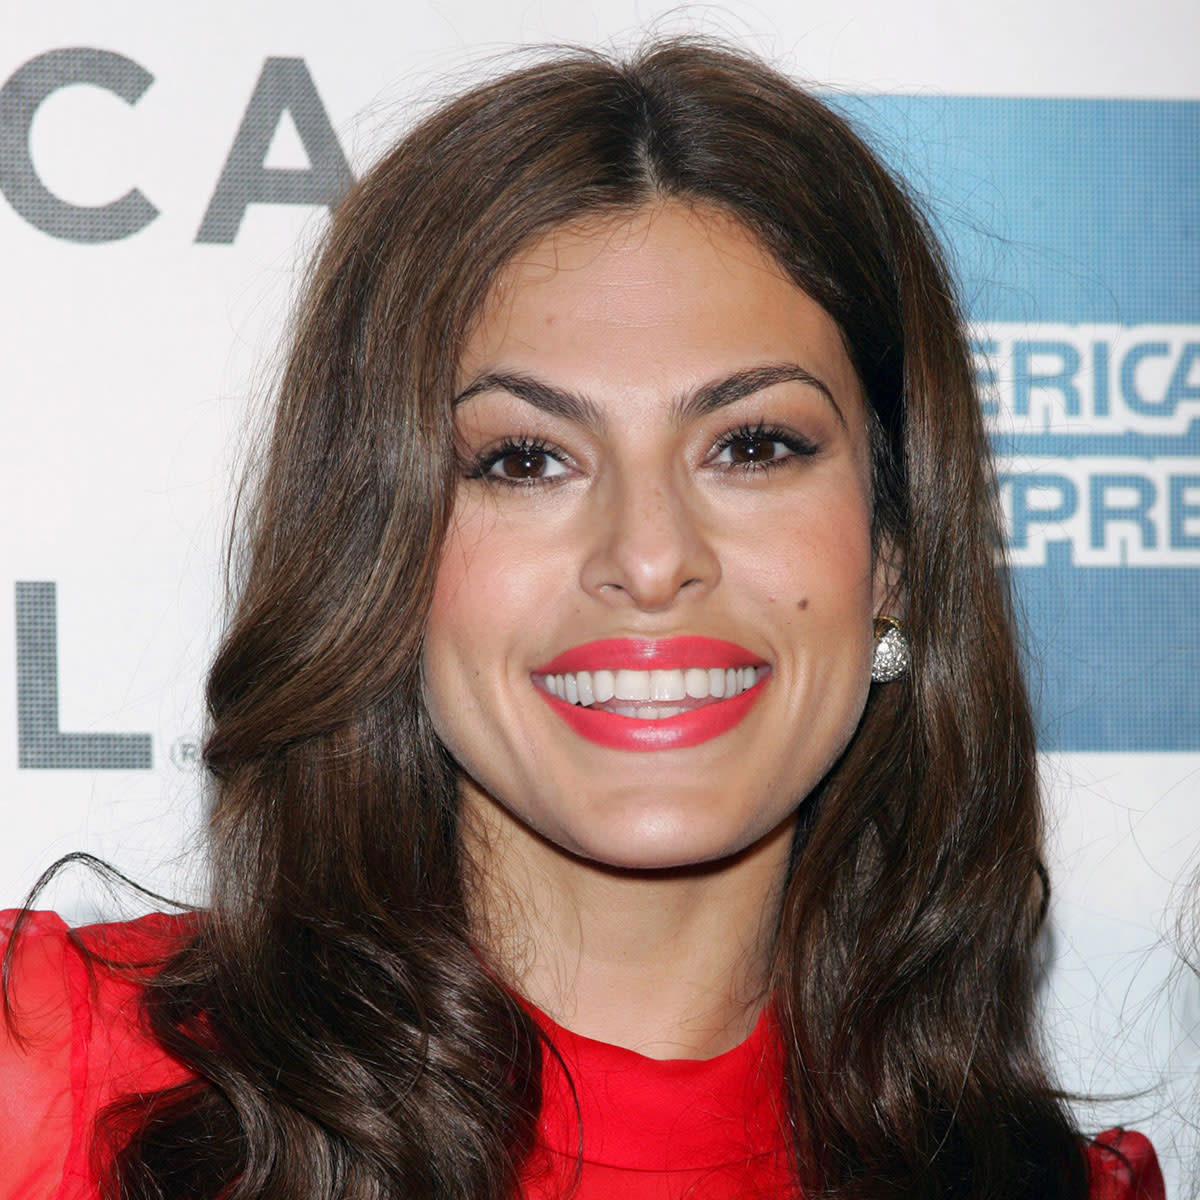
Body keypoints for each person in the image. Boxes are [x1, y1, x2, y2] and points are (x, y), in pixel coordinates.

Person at [0, 38, 1166, 1200]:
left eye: (753, 447)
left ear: (897, 556)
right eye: (525, 459)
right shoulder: (55, 1079)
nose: (650, 559)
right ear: (384, 554)